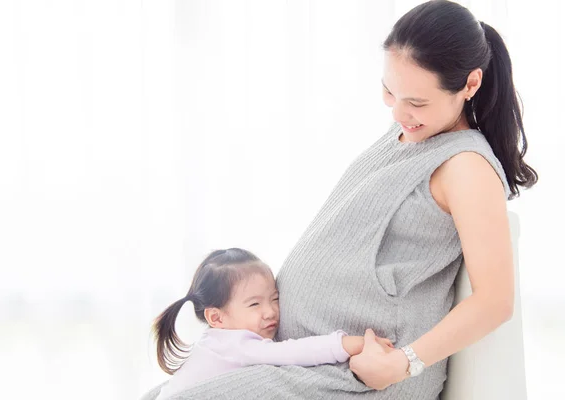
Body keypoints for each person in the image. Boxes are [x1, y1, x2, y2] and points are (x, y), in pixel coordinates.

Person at [157, 1, 538, 398]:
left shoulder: (466, 167)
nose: (399, 112)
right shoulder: (413, 132)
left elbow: (496, 301)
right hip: (310, 358)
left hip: (363, 377)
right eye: (390, 91)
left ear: (470, 84)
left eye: (417, 102)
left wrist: (403, 361)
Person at [152, 248, 394, 398]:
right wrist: (350, 343)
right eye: (254, 305)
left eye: (275, 299)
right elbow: (291, 352)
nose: (270, 311)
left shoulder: (216, 342)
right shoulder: (235, 344)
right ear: (216, 318)